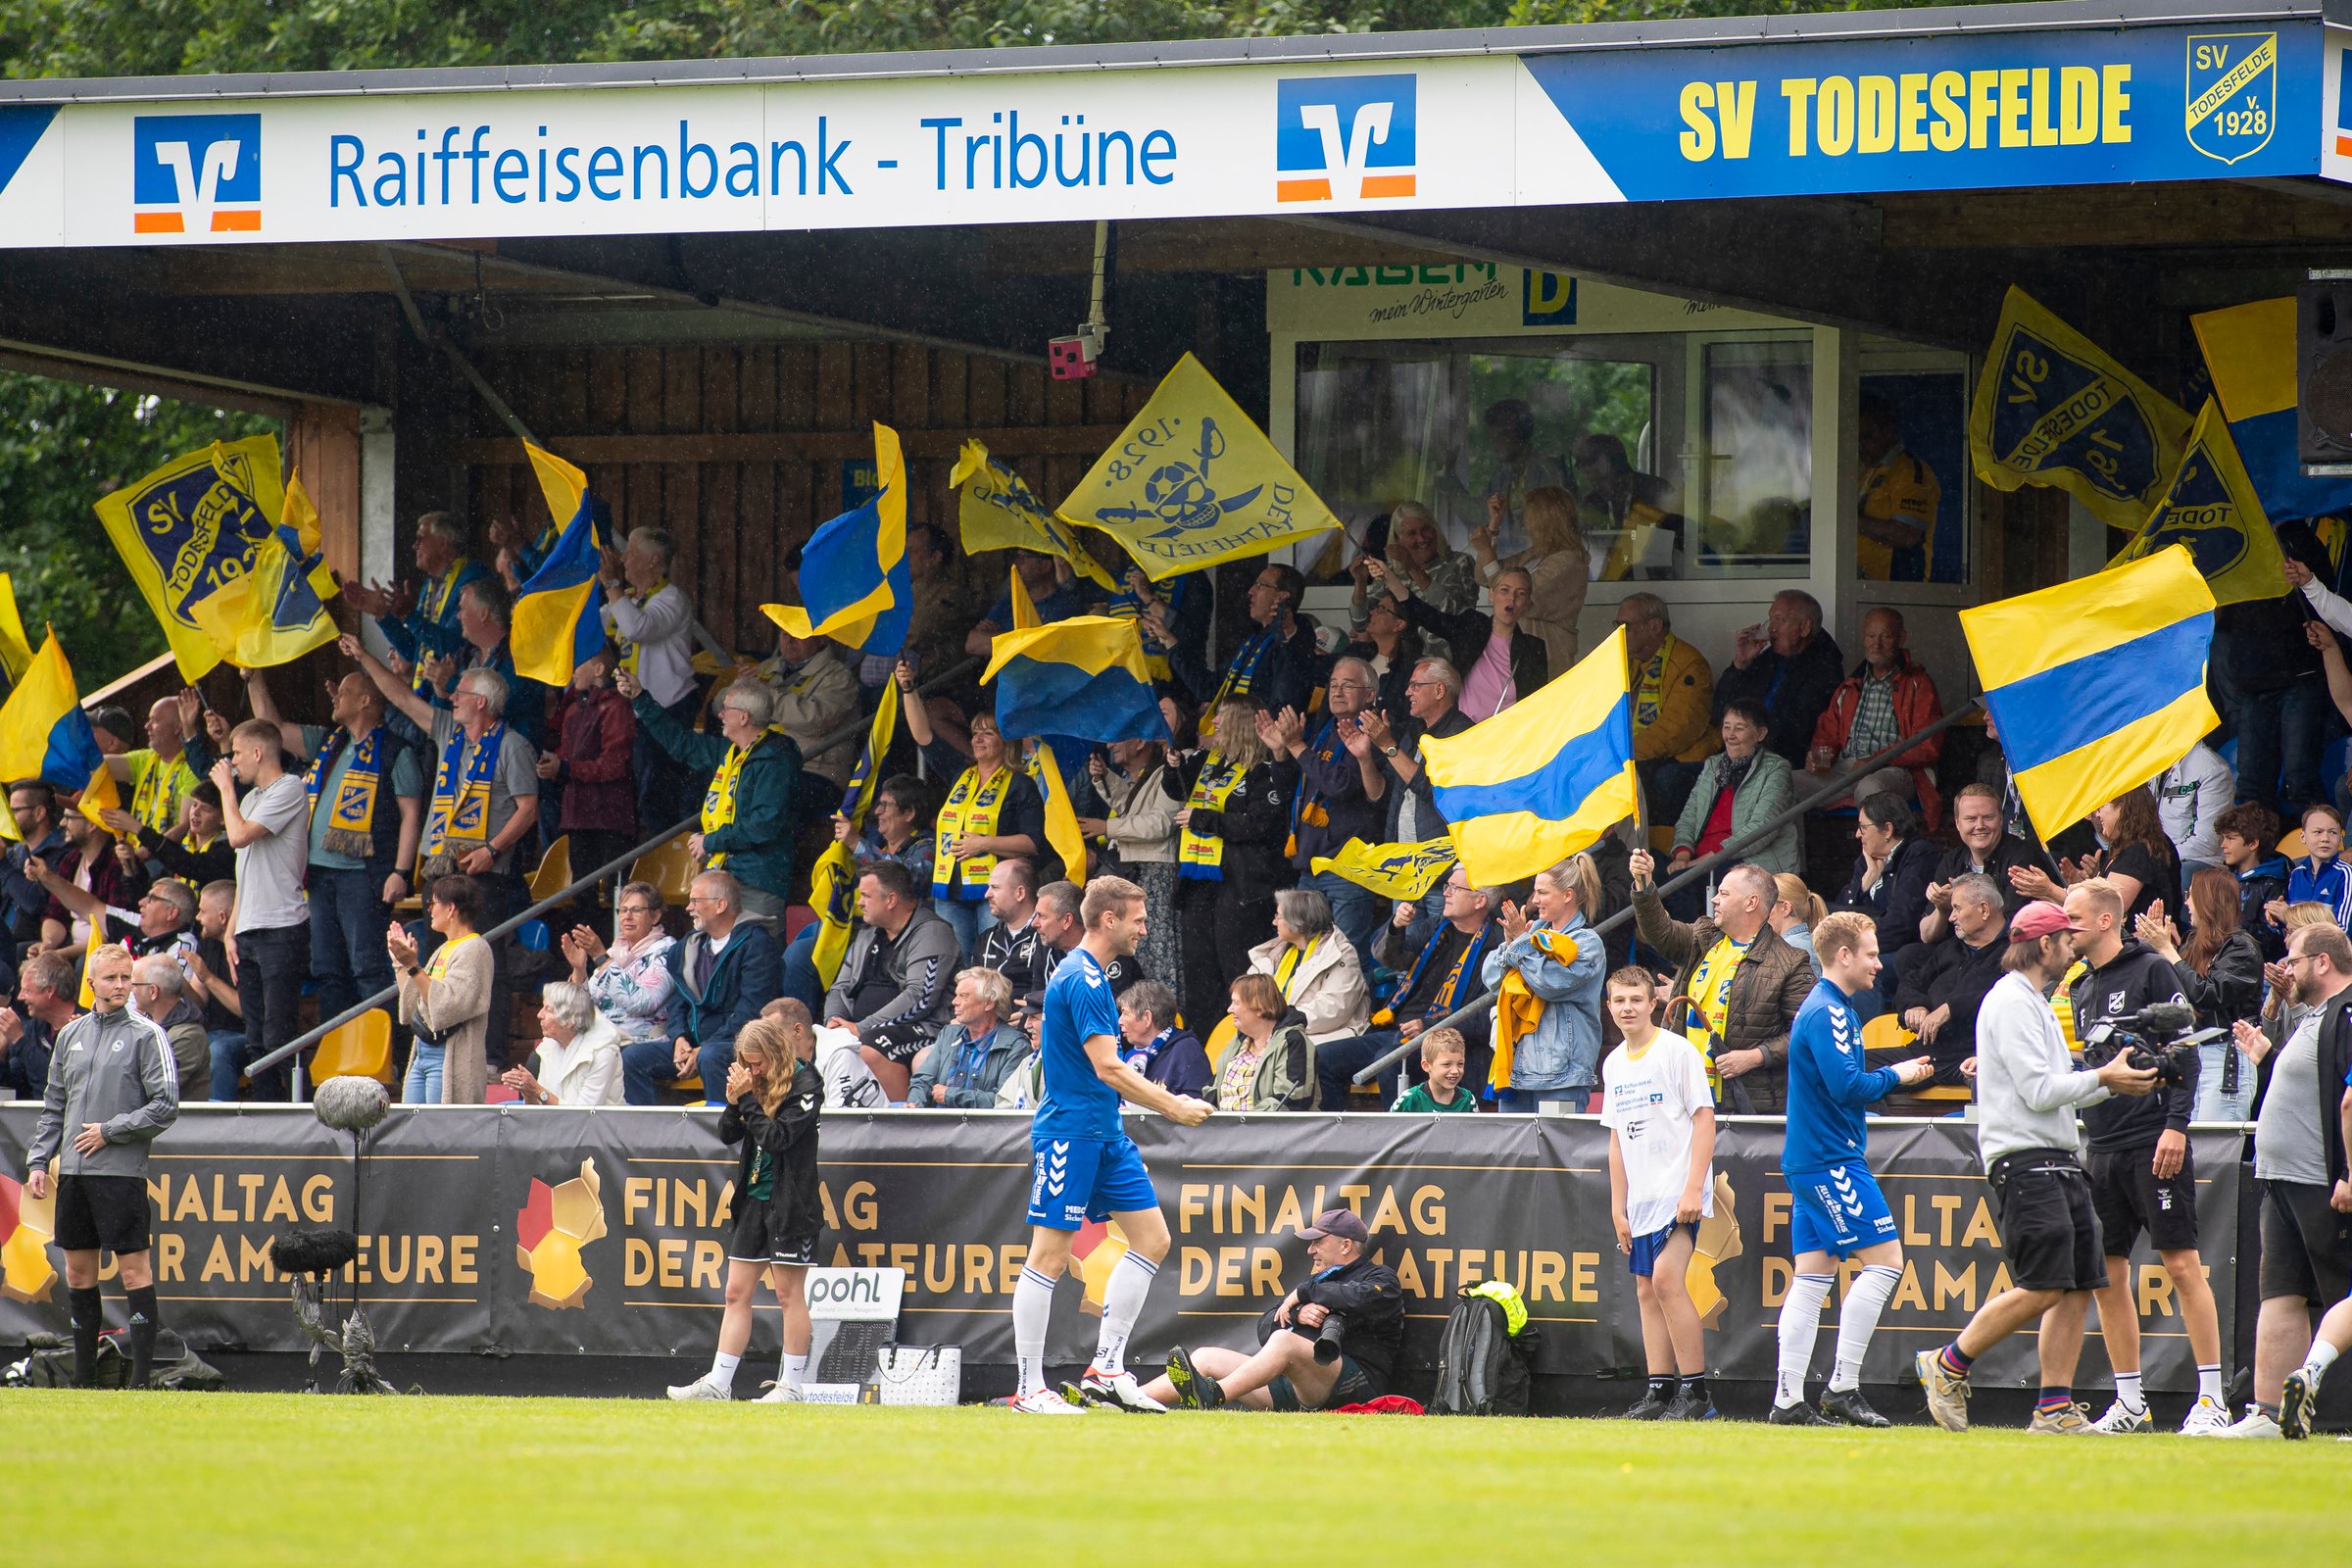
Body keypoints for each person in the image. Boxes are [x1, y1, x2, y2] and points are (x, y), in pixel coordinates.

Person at [1918, 901, 2163, 1435]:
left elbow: (2059, 1094)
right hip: (2027, 1162)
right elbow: (2039, 1092)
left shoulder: (2030, 1000)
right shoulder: (2010, 1002)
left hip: (2056, 1158)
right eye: (2065, 939)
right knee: (2046, 1284)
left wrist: (2118, 1078)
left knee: (2077, 1284)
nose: (2072, 947)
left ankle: (2053, 1409)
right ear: (2043, 944)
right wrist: (2104, 1079)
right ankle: (1947, 1363)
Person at [1004, 876, 1212, 1414]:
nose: (1146, 928)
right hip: (1071, 1133)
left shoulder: (1093, 974)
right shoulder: (1083, 978)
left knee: (1153, 1239)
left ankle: (1107, 1368)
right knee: (1048, 1257)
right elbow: (1108, 1066)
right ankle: (1029, 1389)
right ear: (1108, 920)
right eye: (1139, 919)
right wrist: (1174, 1106)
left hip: (1105, 1132)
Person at [2063, 877, 2230, 1434]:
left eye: (2075, 918)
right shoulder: (2080, 988)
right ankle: (2131, 1403)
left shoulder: (2152, 970)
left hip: (2155, 1139)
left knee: (2181, 1263)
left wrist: (2176, 1126)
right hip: (2103, 1146)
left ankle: (2212, 1400)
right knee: (2108, 1276)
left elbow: (2187, 1049)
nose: (2067, 927)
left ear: (2107, 920)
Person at [1770, 911, 1934, 1427]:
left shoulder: (1822, 1008)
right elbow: (1848, 1087)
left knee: (1812, 1277)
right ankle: (1842, 1387)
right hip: (1830, 1159)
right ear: (1843, 956)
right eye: (1870, 953)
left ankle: (1788, 1401)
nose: (1878, 963)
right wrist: (1898, 1074)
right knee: (1885, 1262)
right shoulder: (1831, 1012)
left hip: (1812, 1157)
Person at [349, 640, 542, 1068]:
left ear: (482, 701)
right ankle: (433, 1045)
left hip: (486, 875)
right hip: (442, 870)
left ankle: (487, 1057)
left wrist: (493, 848)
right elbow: (401, 697)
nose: (451, 697)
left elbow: (529, 808)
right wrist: (365, 656)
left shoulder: (511, 745)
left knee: (481, 963)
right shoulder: (447, 733)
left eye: (460, 692)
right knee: (435, 962)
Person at [2219, 920, 2352, 1438]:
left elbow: (2347, 1100)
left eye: (2293, 960)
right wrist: (2266, 1058)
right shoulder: (2318, 1015)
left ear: (2323, 961)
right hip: (2281, 1178)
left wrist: (2347, 1172)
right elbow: (2311, 1086)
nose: (2286, 970)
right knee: (2280, 1294)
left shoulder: (2345, 1013)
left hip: (2323, 1181)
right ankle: (2267, 1416)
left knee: (2342, 1294)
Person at [22, 944, 176, 1389]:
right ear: (92, 983)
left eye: (127, 978)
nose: (121, 986)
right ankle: (85, 1382)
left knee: (133, 1271)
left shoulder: (149, 1035)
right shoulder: (71, 1036)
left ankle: (142, 1380)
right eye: (112, 978)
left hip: (121, 1173)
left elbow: (166, 1106)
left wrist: (111, 1130)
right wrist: (39, 1159)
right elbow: (55, 1105)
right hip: (73, 1174)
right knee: (78, 1272)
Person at [246, 665, 425, 1031]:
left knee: (369, 967)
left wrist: (401, 872)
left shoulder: (396, 750)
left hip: (364, 876)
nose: (334, 696)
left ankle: (387, 1052)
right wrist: (255, 680)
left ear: (365, 701)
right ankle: (336, 1054)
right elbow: (273, 733)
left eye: (342, 691)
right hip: (320, 873)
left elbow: (411, 816)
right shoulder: (331, 741)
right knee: (328, 968)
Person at [666, 1014, 823, 1403]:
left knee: (789, 1296)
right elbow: (728, 1134)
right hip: (753, 1198)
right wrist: (735, 1102)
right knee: (736, 1292)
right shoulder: (755, 1084)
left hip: (791, 1204)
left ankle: (792, 1386)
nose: (754, 1070)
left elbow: (778, 1138)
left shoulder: (807, 1082)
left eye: (759, 1063)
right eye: (748, 1064)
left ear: (776, 1052)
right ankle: (719, 1383)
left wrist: (749, 1098)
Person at [1601, 966, 1720, 1420]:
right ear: (1609, 1007)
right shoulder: (1613, 1064)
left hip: (1678, 1189)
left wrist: (1693, 1187)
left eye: (1636, 999)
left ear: (1653, 1003)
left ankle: (1697, 1394)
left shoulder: (1677, 1052)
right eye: (1619, 1000)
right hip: (1641, 1198)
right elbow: (1616, 1142)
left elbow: (1704, 1119)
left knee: (1669, 1281)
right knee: (1646, 1290)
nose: (1627, 1007)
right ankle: (1659, 1391)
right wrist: (1618, 1207)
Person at [1151, 1205, 1404, 1412]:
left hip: (1354, 1386)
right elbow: (1266, 1328)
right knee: (1207, 1357)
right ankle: (1126, 1399)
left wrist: (1305, 1294)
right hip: (1296, 1387)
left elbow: (1359, 1297)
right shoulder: (1320, 1281)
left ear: (1346, 1246)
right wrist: (1297, 1314)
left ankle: (1214, 1396)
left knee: (1285, 1341)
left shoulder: (1381, 1278)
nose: (1310, 1249)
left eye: (1318, 1242)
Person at [1631, 850, 1813, 1113]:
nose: (1714, 899)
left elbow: (1806, 1033)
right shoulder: (1704, 936)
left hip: (1745, 1101)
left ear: (1751, 903)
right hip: (1684, 1093)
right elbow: (1661, 931)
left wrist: (1755, 1056)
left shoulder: (1790, 962)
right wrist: (1644, 885)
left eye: (1724, 894)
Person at [623, 670, 803, 918]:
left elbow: (763, 824)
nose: (719, 714)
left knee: (755, 952)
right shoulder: (728, 752)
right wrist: (640, 698)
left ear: (743, 716)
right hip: (723, 876)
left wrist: (711, 841)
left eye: (726, 709)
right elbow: (681, 743)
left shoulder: (776, 761)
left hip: (757, 881)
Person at [1318, 870, 1500, 1110]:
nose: (1445, 892)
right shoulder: (1436, 927)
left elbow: (1483, 1018)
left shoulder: (1496, 944)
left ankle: (1403, 1140)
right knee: (1320, 1058)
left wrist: (1429, 1026)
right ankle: (1341, 1131)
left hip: (1447, 1045)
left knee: (1388, 1060)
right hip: (1396, 1032)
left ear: (1480, 901)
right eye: (1447, 885)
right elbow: (1393, 960)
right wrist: (1396, 927)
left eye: (1455, 888)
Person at [903, 664, 1049, 956]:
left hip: (994, 891)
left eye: (988, 734)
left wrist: (983, 843)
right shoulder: (961, 774)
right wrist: (908, 690)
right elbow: (923, 736)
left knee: (988, 961)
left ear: (1005, 741)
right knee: (955, 963)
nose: (977, 739)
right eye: (974, 733)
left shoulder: (1020, 784)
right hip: (949, 889)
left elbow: (1033, 843)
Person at [1167, 696, 1293, 1031]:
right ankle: (1203, 1041)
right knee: (1199, 969)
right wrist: (1173, 763)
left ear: (1238, 724)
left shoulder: (1262, 771)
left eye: (1221, 718)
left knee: (1235, 968)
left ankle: (1245, 1035)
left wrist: (1204, 819)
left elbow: (1261, 825)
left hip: (1240, 887)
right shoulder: (1207, 761)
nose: (1214, 725)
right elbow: (1173, 787)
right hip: (1197, 884)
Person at [1264, 662, 1391, 971]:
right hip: (1312, 865)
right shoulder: (1326, 729)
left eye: (1348, 684)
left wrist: (1296, 745)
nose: (1337, 691)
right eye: (1333, 684)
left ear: (1370, 694)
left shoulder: (1372, 731)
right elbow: (1292, 790)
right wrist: (1282, 753)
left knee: (1345, 958)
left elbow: (1341, 786)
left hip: (1347, 868)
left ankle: (1357, 1021)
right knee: (1304, 959)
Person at [213, 717, 312, 1102]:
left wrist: (225, 790)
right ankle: (266, 1110)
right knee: (255, 1034)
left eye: (236, 752)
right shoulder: (251, 799)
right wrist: (230, 929)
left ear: (258, 752)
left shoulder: (290, 788)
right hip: (250, 927)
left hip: (282, 927)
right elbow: (245, 869)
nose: (232, 762)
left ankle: (292, 1110)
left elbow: (237, 838)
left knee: (278, 1032)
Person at [623, 870, 780, 1107]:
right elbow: (679, 1003)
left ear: (720, 905)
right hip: (695, 1045)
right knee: (633, 1057)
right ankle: (650, 1135)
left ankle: (724, 1136)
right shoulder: (689, 946)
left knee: (711, 1056)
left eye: (696, 901)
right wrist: (680, 1039)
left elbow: (751, 1011)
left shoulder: (756, 944)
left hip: (736, 1045)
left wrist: (702, 1048)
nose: (688, 907)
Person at [820, 860, 959, 1102]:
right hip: (862, 1027)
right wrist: (833, 1022)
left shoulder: (932, 932)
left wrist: (861, 1028)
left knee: (867, 1047)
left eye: (865, 895)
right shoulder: (867, 933)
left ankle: (898, 1125)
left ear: (891, 899)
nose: (859, 902)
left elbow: (920, 996)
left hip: (928, 1027)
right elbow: (840, 987)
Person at [1354, 658, 1472, 936]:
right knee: (1401, 958)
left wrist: (1388, 745)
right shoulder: (1414, 732)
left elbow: (1435, 792)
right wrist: (1364, 757)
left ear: (1440, 691)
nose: (1408, 692)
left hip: (1441, 877)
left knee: (1435, 956)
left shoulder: (1461, 734)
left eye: (1416, 686)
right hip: (1406, 873)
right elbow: (1380, 794)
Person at [2139, 869, 2264, 1122]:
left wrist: (2166, 949)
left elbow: (2207, 995)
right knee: (2190, 1147)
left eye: (2191, 895)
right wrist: (2153, 950)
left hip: (2227, 1055)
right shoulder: (2191, 945)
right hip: (2193, 1055)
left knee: (2213, 1148)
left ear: (2208, 900)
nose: (2186, 902)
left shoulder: (2241, 947)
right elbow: (2172, 996)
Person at [1484, 855, 1606, 1112]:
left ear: (1567, 895)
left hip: (1562, 1079)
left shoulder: (1587, 943)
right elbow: (1492, 979)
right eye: (1534, 892)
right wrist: (1511, 944)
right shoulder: (1531, 935)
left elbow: (1548, 984)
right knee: (1515, 1154)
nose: (1535, 899)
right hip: (1516, 1075)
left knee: (1556, 1153)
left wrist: (1520, 943)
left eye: (1542, 892)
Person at [1806, 608, 1942, 824]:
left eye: (1885, 636)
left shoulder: (1918, 684)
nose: (1876, 644)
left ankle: (1874, 857)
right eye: (1871, 636)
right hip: (1846, 770)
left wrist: (1876, 760)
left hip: (1896, 771)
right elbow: (1826, 736)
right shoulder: (1850, 686)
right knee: (1784, 784)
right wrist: (1819, 760)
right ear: (1863, 637)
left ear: (1901, 637)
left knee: (1870, 789)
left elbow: (1927, 746)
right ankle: (1788, 859)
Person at [1376, 560, 1547, 722]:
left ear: (1527, 604)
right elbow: (1426, 615)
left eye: (1521, 594)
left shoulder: (1532, 647)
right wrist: (1389, 578)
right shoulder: (1473, 626)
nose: (1511, 599)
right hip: (1463, 732)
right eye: (1505, 590)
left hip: (1505, 738)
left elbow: (1536, 704)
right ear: (1491, 594)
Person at [344, 511, 486, 693]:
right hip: (428, 696)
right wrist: (382, 614)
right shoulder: (430, 585)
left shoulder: (472, 578)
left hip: (458, 698)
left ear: (443, 544)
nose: (414, 545)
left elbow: (454, 647)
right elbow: (413, 651)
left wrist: (409, 615)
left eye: (421, 538)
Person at [1887, 873, 2008, 1086]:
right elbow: (1911, 982)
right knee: (1855, 1069)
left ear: (1984, 909)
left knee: (1991, 1078)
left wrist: (1950, 1008)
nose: (1951, 917)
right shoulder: (1948, 948)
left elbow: (2009, 997)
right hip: (1924, 1054)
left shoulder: (2016, 951)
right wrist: (1915, 1005)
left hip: (1975, 1055)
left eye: (1957, 908)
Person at [1084, 736, 1181, 989]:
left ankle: (1159, 1015)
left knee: (1155, 953)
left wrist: (1107, 827)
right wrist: (1105, 776)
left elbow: (1160, 823)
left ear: (1139, 743)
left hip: (1156, 873)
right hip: (1138, 871)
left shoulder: (1170, 769)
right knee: (1138, 948)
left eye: (1118, 738)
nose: (1109, 744)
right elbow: (1132, 807)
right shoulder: (1149, 773)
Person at [389, 874, 494, 1104]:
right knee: (412, 1127)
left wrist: (413, 966)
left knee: (438, 1132)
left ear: (451, 909)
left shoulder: (475, 948)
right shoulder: (443, 948)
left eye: (432, 903)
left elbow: (448, 1007)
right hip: (423, 1052)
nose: (429, 910)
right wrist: (401, 963)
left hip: (449, 1055)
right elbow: (415, 1002)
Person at [1713, 590, 1844, 771]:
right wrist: (1740, 665)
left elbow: (1796, 731)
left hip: (1776, 764)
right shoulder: (1769, 659)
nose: (1771, 628)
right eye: (1771, 619)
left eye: (1779, 620)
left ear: (1805, 627)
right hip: (1738, 756)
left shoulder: (1824, 668)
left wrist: (1750, 743)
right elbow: (1719, 709)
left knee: (1672, 778)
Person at [538, 646, 638, 885]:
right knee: (582, 894)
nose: (572, 671)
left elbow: (612, 765)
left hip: (610, 818)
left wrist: (563, 768)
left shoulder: (617, 706)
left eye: (578, 664)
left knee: (615, 894)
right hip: (578, 816)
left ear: (599, 669)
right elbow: (567, 754)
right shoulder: (573, 709)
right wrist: (550, 764)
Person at [1668, 701, 1797, 883]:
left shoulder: (1776, 769)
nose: (1730, 735)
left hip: (1744, 862)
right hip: (1699, 862)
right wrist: (1683, 855)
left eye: (1740, 728)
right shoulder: (1713, 765)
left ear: (1760, 734)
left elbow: (1761, 829)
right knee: (1654, 877)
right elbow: (1689, 816)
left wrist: (1707, 860)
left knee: (1683, 886)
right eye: (1726, 727)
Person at [1172, 561, 1318, 721]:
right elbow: (1210, 688)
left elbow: (1282, 709)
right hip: (1236, 737)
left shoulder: (1295, 636)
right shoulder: (1255, 639)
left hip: (1257, 740)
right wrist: (1170, 643)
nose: (1251, 591)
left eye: (1260, 585)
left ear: (1283, 596)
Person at [1618, 593, 1718, 824]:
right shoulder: (1626, 660)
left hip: (1677, 756)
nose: (1619, 632)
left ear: (1654, 626)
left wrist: (1625, 753)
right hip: (1638, 752)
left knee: (1637, 776)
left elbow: (1676, 731)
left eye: (1626, 626)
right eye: (1617, 625)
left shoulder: (1690, 663)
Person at [1471, 484, 1586, 676]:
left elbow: (1520, 600)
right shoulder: (1536, 554)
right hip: (1515, 656)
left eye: (1529, 517)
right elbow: (1484, 576)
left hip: (1547, 657)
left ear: (1544, 521)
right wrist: (1493, 527)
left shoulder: (1568, 562)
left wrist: (1484, 550)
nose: (1526, 524)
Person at [757, 623, 862, 825]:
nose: (789, 640)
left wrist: (763, 694)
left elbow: (813, 720)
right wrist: (737, 685)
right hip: (766, 766)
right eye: (784, 633)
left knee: (772, 798)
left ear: (822, 639)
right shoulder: (767, 668)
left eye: (798, 633)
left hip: (814, 771)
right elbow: (722, 708)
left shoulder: (839, 676)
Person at [1247, 887, 1371, 1052]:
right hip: (1278, 1032)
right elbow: (1248, 992)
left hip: (1327, 1036)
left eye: (1279, 917)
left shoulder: (1340, 953)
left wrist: (1278, 1021)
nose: (1274, 922)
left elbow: (1334, 1008)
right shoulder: (1275, 952)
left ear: (1297, 923)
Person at [1924, 783, 2057, 932]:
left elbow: (2013, 928)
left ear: (2001, 819)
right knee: (1910, 954)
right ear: (1957, 823)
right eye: (1971, 819)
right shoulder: (1951, 861)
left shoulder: (2021, 858)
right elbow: (1926, 935)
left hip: (2006, 946)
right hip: (1960, 949)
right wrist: (1942, 909)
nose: (1980, 825)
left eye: (1988, 817)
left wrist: (1961, 903)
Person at [1838, 793, 1938, 992]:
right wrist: (1865, 883)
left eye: (1863, 828)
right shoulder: (1867, 860)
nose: (1858, 834)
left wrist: (1856, 946)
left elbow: (1902, 923)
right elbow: (1842, 908)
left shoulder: (1919, 855)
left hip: (1905, 953)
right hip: (1874, 948)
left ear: (1887, 829)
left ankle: (1861, 1024)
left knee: (1858, 971)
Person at [563, 881, 676, 1051]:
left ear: (655, 916)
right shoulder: (616, 951)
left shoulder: (666, 952)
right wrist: (579, 970)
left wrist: (601, 957)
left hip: (639, 1043)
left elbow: (642, 1002)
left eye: (636, 910)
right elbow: (582, 1009)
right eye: (623, 910)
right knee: (544, 1053)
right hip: (603, 1040)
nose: (627, 916)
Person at [1348, 501, 1475, 646]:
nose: (1421, 539)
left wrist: (1412, 568)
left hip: (1446, 660)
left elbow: (1453, 611)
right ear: (1398, 539)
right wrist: (1360, 583)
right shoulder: (1391, 571)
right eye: (1412, 533)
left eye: (1426, 529)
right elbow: (1361, 624)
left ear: (1435, 530)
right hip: (1401, 661)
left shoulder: (1459, 563)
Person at [907, 967, 1030, 1108]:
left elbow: (1005, 1102)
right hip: (938, 1126)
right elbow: (923, 1080)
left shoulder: (1016, 1045)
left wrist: (951, 1095)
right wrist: (914, 1104)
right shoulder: (949, 1034)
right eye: (956, 995)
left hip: (981, 1128)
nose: (954, 1001)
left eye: (964, 996)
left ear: (989, 1003)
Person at [502, 980, 626, 1107]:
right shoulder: (549, 1046)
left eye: (548, 1009)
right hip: (558, 1124)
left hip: (597, 1126)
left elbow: (585, 1114)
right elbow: (540, 1109)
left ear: (569, 1020)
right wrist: (529, 1093)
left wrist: (538, 1090)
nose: (539, 1015)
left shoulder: (603, 1053)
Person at [1213, 972, 1316, 1112]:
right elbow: (1212, 1090)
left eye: (1236, 1003)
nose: (1229, 1009)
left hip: (1268, 1132)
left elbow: (1290, 1099)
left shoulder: (1292, 1041)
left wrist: (1243, 1125)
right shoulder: (1237, 1042)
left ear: (1259, 1007)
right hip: (1224, 1131)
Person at [117, 694, 203, 844]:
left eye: (155, 720)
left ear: (177, 727)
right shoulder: (146, 759)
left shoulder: (192, 767)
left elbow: (185, 826)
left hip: (171, 856)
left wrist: (143, 855)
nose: (147, 726)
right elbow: (98, 767)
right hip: (139, 852)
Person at [2215, 803, 2289, 960]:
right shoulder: (2223, 878)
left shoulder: (2274, 883)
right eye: (2223, 838)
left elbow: (2271, 941)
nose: (2223, 845)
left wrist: (2227, 928)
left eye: (2230, 838)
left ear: (2253, 843)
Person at [130, 955, 210, 1103]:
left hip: (178, 1124)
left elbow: (153, 1089)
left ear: (153, 992)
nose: (130, 989)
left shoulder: (188, 1037)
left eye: (135, 984)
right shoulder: (144, 1026)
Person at [1116, 980, 1211, 1101]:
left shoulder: (1187, 1051)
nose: (1120, 1021)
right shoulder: (1133, 1056)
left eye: (1125, 1013)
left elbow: (1197, 1108)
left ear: (1147, 1017)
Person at [971, 858, 1051, 1004]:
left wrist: (1033, 1011)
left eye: (995, 888)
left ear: (1020, 893)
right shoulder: (986, 938)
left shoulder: (1048, 937)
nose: (987, 894)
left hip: (1031, 1022)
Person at [2155, 741, 2235, 880]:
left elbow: (2206, 842)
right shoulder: (2153, 762)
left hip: (2197, 863)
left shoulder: (2213, 769)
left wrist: (2158, 859)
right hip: (2160, 857)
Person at [0, 951, 73, 1100]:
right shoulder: (31, 1029)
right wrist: (1, 1055)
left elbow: (57, 1082)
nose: (20, 997)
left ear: (49, 991)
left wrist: (20, 1041)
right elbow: (15, 1086)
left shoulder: (85, 1026)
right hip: (32, 1118)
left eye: (26, 991)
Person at [2281, 803, 2352, 928]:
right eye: (2318, 832)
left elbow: (2342, 928)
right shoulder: (2297, 874)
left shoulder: (2346, 874)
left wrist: (2289, 918)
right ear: (2303, 837)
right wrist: (2277, 918)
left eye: (2333, 833)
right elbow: (2290, 925)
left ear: (2341, 839)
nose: (2325, 838)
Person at [1392, 1026, 1476, 1113]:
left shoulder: (1468, 1100)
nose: (1455, 1071)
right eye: (1446, 1064)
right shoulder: (1409, 1099)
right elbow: (1389, 1126)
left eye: (1460, 1064)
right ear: (1426, 1066)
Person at [1770, 874, 1827, 978]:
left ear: (1786, 908)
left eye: (1768, 904)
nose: (1762, 912)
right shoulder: (1802, 944)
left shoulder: (1794, 949)